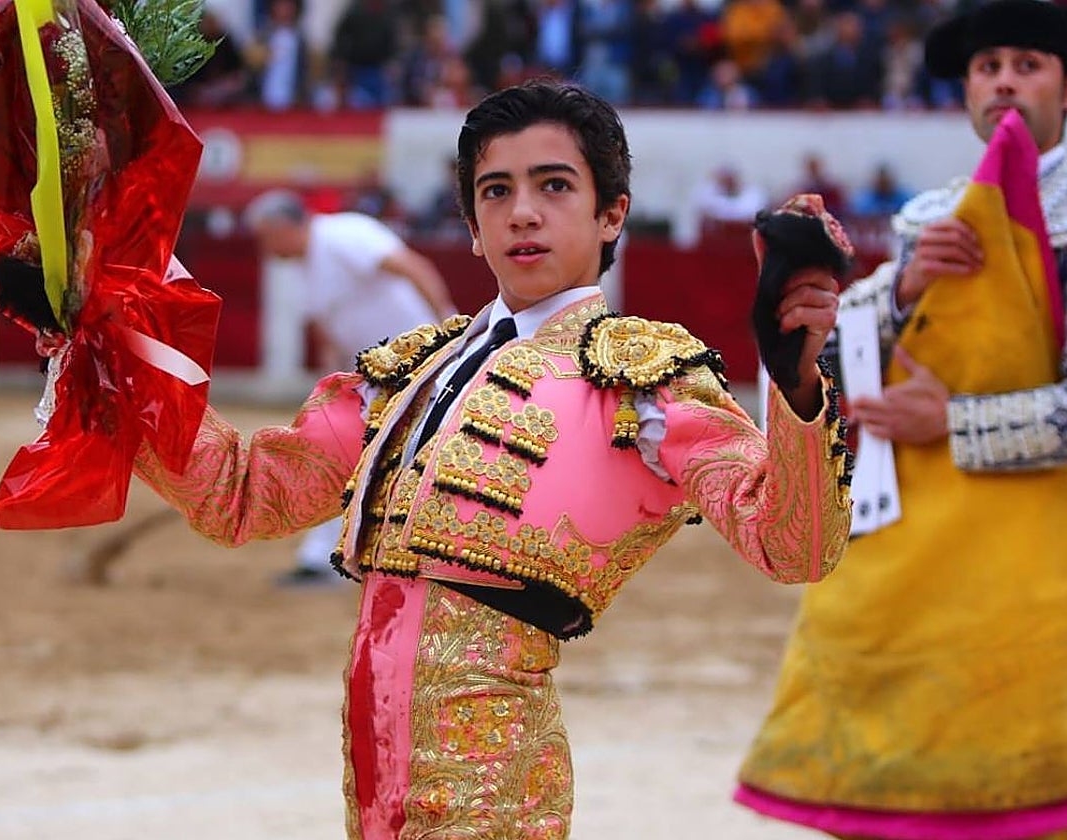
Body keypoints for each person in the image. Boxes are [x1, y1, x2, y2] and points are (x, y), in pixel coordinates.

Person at [124, 80, 851, 837]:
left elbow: (792, 545)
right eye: (496, 191)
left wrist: (795, 388)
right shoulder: (409, 373)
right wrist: (102, 337)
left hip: (498, 785)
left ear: (613, 214)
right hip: (373, 784)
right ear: (472, 226)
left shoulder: (642, 378)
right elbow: (242, 494)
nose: (523, 212)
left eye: (555, 185)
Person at [736, 2, 1067, 838]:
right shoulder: (933, 218)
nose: (1002, 80)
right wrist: (907, 292)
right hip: (937, 545)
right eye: (988, 65)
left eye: (1028, 63)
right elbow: (852, 357)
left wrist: (956, 424)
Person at [243, 189, 457, 586]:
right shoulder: (303, 267)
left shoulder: (344, 234)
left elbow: (413, 266)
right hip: (376, 378)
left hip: (416, 365)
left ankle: (337, 557)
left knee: (393, 460)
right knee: (354, 458)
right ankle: (330, 557)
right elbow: (330, 329)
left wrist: (446, 326)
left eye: (265, 237)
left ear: (284, 226)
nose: (264, 247)